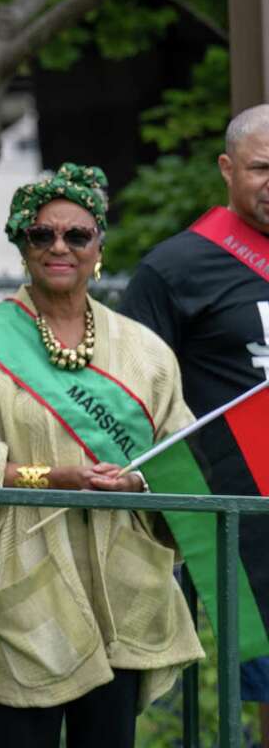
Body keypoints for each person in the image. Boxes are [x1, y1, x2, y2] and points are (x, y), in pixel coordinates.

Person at [0, 163, 204, 747]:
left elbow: (180, 464)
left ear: (98, 246)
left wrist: (138, 486)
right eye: (42, 235)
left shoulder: (146, 354)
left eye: (76, 235)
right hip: (24, 598)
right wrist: (52, 478)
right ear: (23, 247)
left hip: (121, 594)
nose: (59, 246)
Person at [121, 104, 269, 745]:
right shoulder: (175, 268)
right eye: (263, 168)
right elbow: (132, 393)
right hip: (243, 518)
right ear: (227, 169)